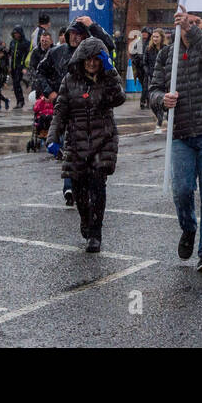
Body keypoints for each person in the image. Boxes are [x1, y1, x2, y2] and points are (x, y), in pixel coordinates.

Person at [149, 10, 202, 272]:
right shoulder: (166, 54)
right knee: (182, 191)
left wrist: (192, 32)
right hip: (182, 133)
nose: (190, 26)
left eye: (196, 23)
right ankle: (188, 227)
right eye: (187, 22)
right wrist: (162, 99)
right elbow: (154, 90)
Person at [48, 37, 125, 252]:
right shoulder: (69, 80)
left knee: (98, 185)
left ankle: (96, 233)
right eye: (88, 59)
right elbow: (60, 111)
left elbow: (119, 98)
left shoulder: (107, 79)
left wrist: (111, 73)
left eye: (96, 60)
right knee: (79, 189)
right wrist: (53, 138)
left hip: (104, 140)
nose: (92, 63)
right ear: (81, 60)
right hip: (77, 141)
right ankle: (85, 219)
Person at [145, 30, 165, 128]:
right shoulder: (149, 49)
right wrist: (148, 72)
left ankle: (167, 119)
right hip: (152, 78)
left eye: (157, 37)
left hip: (164, 79)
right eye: (153, 37)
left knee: (163, 99)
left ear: (161, 38)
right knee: (152, 102)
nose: (155, 39)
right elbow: (145, 63)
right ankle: (159, 116)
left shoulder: (166, 49)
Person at [9, 26, 31, 111]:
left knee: (17, 83)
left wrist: (25, 66)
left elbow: (27, 56)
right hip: (14, 67)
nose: (16, 35)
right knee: (15, 85)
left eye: (17, 33)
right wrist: (10, 67)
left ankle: (20, 101)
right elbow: (11, 55)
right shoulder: (12, 42)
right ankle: (19, 100)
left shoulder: (26, 43)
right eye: (15, 34)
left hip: (20, 67)